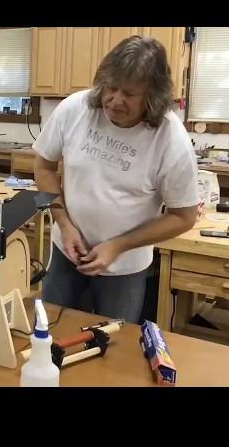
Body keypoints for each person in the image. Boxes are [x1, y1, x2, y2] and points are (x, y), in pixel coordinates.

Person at [33, 36, 198, 324]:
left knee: (113, 351)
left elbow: (184, 216)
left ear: (153, 96)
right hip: (66, 254)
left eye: (130, 94)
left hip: (125, 269)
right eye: (111, 87)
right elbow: (44, 167)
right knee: (49, 335)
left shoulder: (171, 140)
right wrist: (65, 224)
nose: (115, 100)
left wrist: (118, 245)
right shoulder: (76, 109)